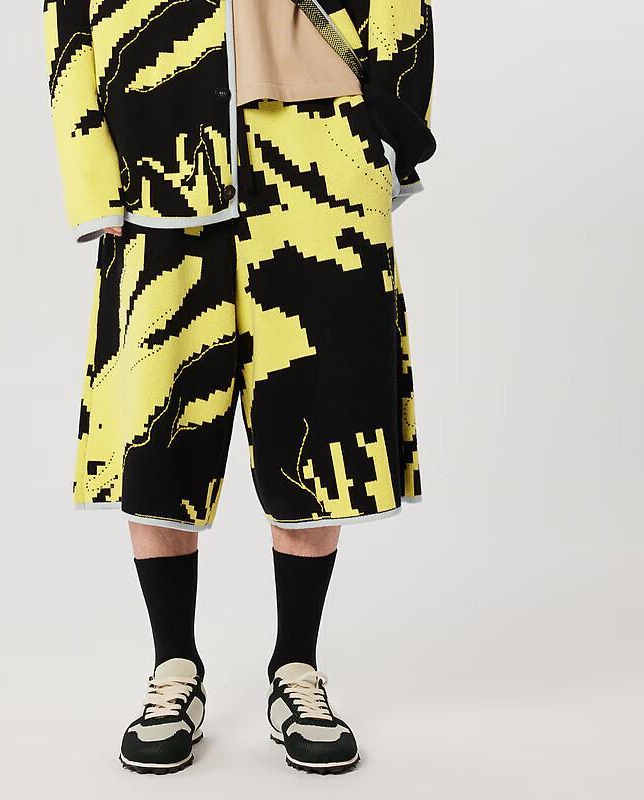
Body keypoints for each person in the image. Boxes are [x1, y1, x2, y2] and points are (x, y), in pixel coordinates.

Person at [44, 0, 435, 775]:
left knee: (319, 420)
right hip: (159, 163)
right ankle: (173, 667)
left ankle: (298, 666)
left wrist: (388, 135)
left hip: (318, 153)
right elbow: (67, 19)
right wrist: (92, 176)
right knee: (156, 424)